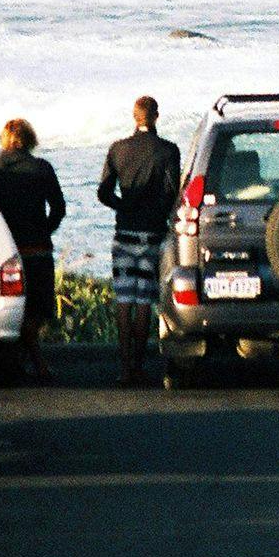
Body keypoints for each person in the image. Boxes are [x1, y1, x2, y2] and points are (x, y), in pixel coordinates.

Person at [97, 95, 182, 386]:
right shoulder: (168, 151)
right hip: (151, 232)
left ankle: (123, 367)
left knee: (124, 299)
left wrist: (123, 206)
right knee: (144, 298)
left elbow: (103, 192)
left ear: (135, 117)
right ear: (156, 116)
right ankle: (137, 364)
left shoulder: (118, 149)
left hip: (124, 233)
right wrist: (157, 213)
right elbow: (171, 193)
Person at [0, 118, 66, 384]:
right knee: (39, 307)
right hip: (37, 248)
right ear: (30, 139)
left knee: (13, 305)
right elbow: (59, 208)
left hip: (6, 250)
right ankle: (35, 360)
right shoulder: (41, 168)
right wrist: (45, 230)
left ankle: (19, 359)